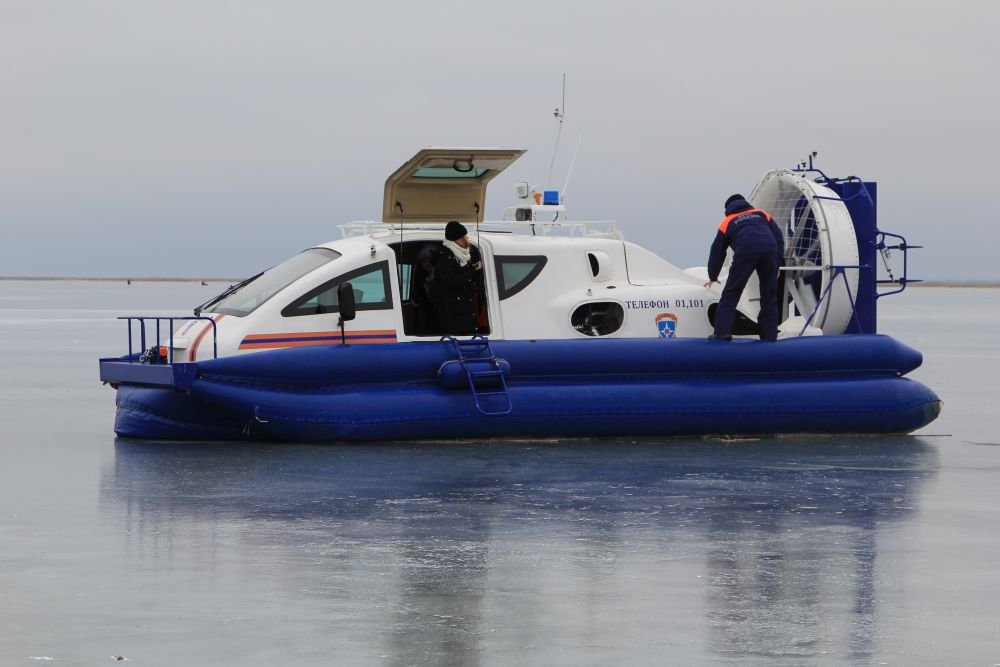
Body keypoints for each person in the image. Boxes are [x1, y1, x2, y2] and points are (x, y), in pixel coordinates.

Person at [703, 194, 785, 341]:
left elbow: (717, 251)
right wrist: (777, 263)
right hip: (769, 250)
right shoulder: (762, 214)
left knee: (732, 292)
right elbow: (779, 238)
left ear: (728, 208)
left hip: (746, 251)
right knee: (769, 295)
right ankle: (769, 335)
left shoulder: (727, 222)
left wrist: (713, 276)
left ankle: (722, 333)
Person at [434, 220, 483, 334]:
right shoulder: (445, 257)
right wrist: (473, 271)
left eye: (466, 236)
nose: (466, 240)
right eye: (462, 238)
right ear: (454, 241)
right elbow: (451, 281)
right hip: (453, 313)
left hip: (467, 311)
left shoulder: (468, 253)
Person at [410, 244, 439, 335]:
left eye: (429, 260)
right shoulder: (421, 277)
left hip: (440, 314)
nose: (427, 264)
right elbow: (417, 298)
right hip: (426, 313)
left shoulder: (442, 277)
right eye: (423, 261)